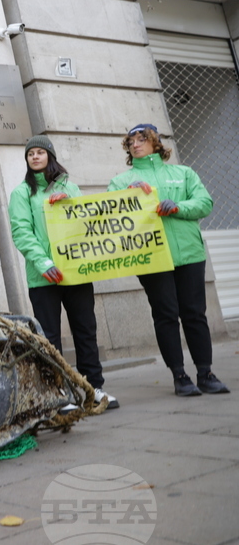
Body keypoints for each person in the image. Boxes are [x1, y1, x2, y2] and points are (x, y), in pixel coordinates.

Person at [108, 124, 229, 397]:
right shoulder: (120, 182)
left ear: (156, 143)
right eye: (131, 141)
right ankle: (180, 376)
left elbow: (205, 203)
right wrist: (129, 195)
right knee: (165, 316)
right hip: (151, 259)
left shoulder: (183, 173)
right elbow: (113, 221)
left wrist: (178, 206)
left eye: (141, 139)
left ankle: (206, 373)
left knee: (195, 314)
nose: (135, 144)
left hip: (189, 254)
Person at [8, 135, 118, 410]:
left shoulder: (71, 187)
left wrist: (67, 200)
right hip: (43, 277)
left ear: (50, 157)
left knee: (85, 331)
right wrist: (44, 264)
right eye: (30, 153)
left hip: (76, 272)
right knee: (50, 338)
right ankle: (57, 394)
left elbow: (86, 219)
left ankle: (94, 389)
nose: (34, 157)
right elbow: (22, 233)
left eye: (39, 152)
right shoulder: (21, 193)